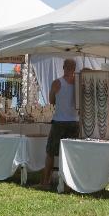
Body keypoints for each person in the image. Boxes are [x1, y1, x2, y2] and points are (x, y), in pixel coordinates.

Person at [42, 59, 79, 188]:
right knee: (70, 153)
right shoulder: (77, 83)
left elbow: (51, 101)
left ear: (64, 67)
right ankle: (69, 183)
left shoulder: (58, 83)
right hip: (73, 122)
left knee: (51, 152)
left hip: (61, 122)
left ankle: (46, 181)